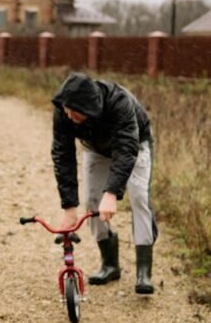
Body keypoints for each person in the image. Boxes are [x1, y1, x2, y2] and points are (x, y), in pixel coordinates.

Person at [51, 72, 157, 295]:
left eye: (74, 112)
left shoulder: (119, 102)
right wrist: (69, 206)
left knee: (139, 198)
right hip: (96, 149)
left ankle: (144, 272)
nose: (68, 115)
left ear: (88, 107)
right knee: (92, 202)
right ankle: (110, 265)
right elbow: (63, 154)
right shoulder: (63, 110)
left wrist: (111, 193)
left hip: (135, 145)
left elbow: (126, 148)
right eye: (66, 110)